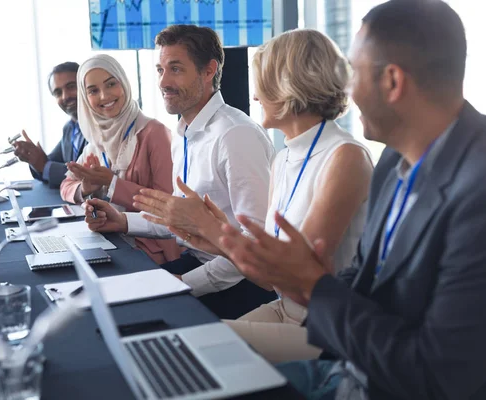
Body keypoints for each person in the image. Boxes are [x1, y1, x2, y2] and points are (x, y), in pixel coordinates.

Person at [211, 1, 486, 399]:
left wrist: (314, 287)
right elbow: (365, 277)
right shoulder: (395, 158)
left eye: (353, 73)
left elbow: (435, 376)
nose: (346, 90)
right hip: (354, 365)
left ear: (392, 82)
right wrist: (308, 283)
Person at [132, 29, 373, 363]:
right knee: (172, 343)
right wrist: (211, 237)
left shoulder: (344, 157)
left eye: (263, 82)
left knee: (190, 351)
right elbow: (264, 276)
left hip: (325, 327)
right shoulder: (284, 158)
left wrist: (216, 232)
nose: (256, 96)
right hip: (284, 309)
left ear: (291, 84)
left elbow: (299, 280)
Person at [84, 25, 277, 319]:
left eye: (175, 69)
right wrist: (122, 221)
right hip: (198, 265)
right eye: (160, 70)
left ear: (209, 71)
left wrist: (185, 284)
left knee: (132, 316)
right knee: (106, 299)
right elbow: (177, 218)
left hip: (242, 283)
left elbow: (255, 245)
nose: (163, 81)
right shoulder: (185, 133)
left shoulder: (235, 136)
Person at [63, 54, 180, 265]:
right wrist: (85, 188)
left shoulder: (155, 133)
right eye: (93, 91)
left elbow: (166, 205)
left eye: (111, 84)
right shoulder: (95, 140)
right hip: (111, 241)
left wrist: (112, 184)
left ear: (123, 83)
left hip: (151, 249)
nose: (104, 96)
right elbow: (66, 185)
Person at [13, 62, 87, 188]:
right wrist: (33, 157)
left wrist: (43, 165)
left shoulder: (102, 126)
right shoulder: (70, 128)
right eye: (58, 92)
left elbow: (86, 175)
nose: (65, 96)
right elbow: (51, 162)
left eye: (71, 87)